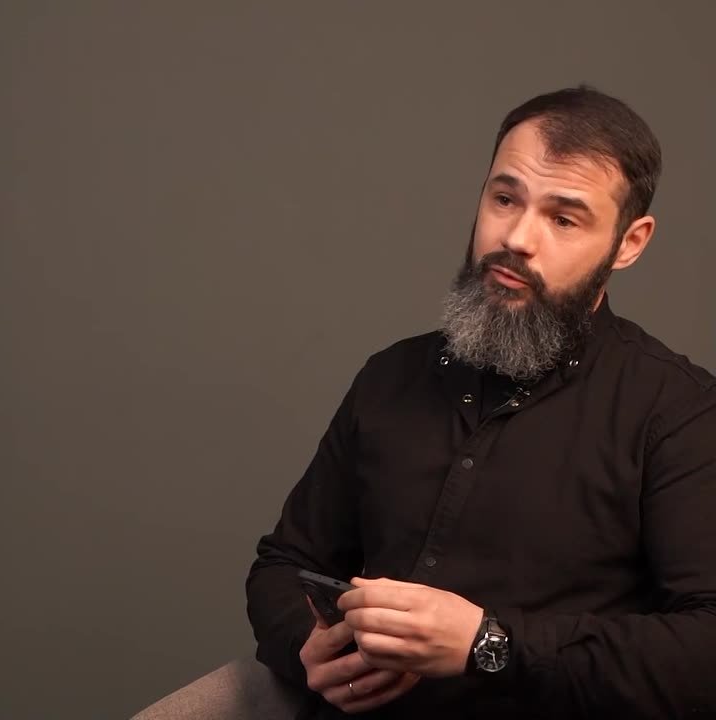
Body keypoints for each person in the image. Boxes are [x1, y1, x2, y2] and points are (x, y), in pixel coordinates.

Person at [245, 85, 716, 719]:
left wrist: (487, 644)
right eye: (505, 199)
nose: (517, 237)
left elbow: (705, 648)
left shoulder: (680, 412)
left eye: (564, 219)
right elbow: (285, 562)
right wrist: (305, 645)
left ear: (629, 243)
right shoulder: (390, 376)